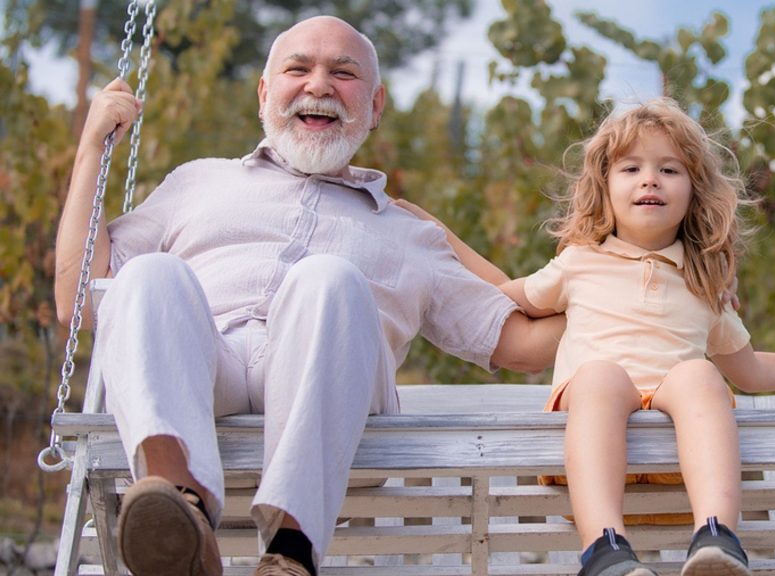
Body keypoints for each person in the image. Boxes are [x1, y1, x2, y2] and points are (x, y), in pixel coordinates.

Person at [54, 15, 561, 576]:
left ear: (375, 106)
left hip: (333, 401)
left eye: (343, 74)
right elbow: (80, 297)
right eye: (299, 69)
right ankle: (182, 521)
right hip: (204, 369)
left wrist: (645, 283)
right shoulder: (196, 181)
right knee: (148, 274)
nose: (319, 85)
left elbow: (523, 344)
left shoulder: (410, 233)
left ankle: (291, 555)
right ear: (266, 93)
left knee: (329, 279)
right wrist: (91, 154)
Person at [402, 98, 775, 576]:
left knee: (701, 375)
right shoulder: (579, 263)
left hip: (673, 469)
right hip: (592, 451)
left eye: (669, 169)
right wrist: (439, 236)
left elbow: (751, 370)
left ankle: (716, 538)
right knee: (599, 376)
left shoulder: (704, 284)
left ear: (693, 193)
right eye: (631, 168)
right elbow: (502, 294)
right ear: (604, 188)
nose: (650, 179)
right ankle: (604, 549)